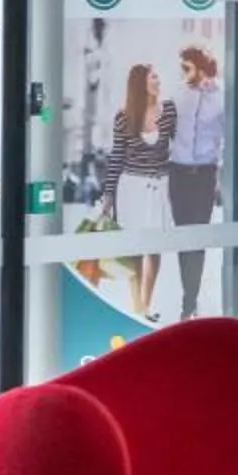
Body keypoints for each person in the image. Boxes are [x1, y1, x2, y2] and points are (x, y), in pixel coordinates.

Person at [106, 63, 178, 323]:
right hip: (132, 188)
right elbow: (117, 156)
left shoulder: (168, 111)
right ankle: (137, 306)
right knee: (135, 249)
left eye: (157, 76)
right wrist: (108, 194)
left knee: (155, 248)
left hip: (159, 186)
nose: (158, 81)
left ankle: (146, 303)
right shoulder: (123, 117)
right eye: (153, 77)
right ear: (141, 84)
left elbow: (180, 145)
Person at [167, 45, 226, 321]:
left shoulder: (222, 97)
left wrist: (222, 175)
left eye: (186, 67)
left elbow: (229, 137)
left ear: (201, 68)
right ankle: (188, 297)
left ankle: (189, 300)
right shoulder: (178, 95)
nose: (182, 72)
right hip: (177, 174)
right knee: (183, 237)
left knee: (198, 238)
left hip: (204, 175)